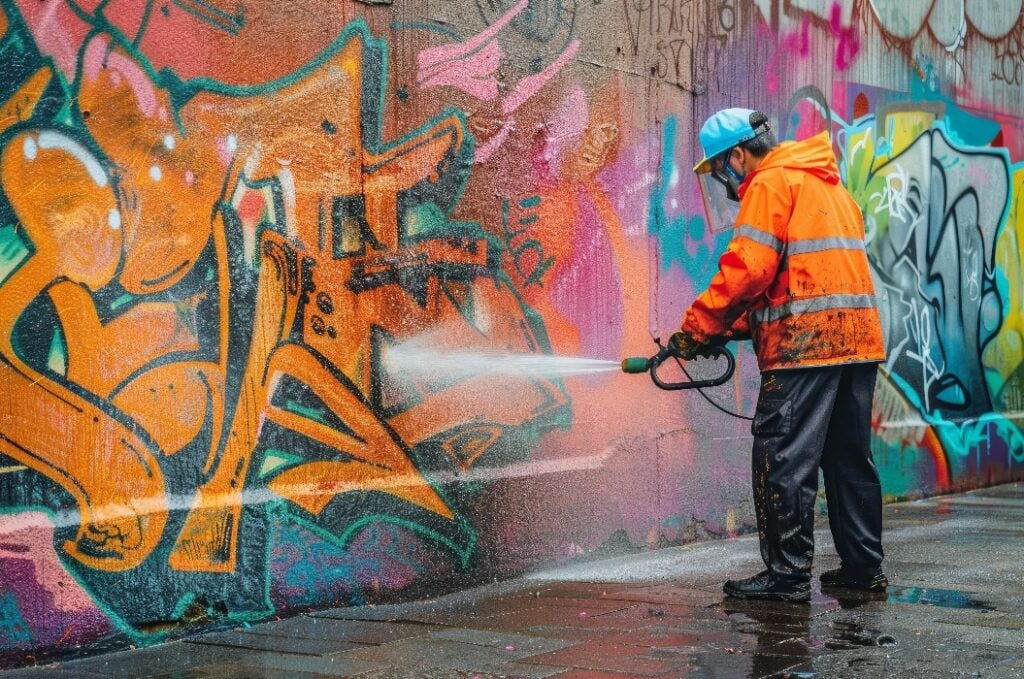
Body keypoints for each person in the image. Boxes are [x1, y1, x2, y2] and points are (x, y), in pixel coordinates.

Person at [671, 108, 888, 602]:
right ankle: (862, 568)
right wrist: (736, 328)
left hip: (805, 349)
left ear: (739, 155)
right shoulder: (828, 186)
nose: (727, 182)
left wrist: (698, 327)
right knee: (850, 461)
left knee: (783, 460)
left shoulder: (769, 183)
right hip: (855, 343)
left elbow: (749, 270)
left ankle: (787, 577)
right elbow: (799, 281)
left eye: (722, 169)